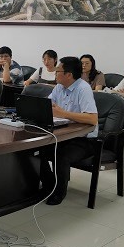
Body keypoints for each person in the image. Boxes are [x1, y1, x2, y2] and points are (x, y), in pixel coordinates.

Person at [42, 56, 98, 205]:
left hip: (84, 139)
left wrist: (63, 114)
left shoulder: (83, 89)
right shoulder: (59, 87)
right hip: (63, 135)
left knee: (61, 156)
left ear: (68, 74)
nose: (55, 73)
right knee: (36, 150)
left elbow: (92, 119)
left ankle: (59, 193)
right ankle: (49, 184)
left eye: (58, 71)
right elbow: (47, 105)